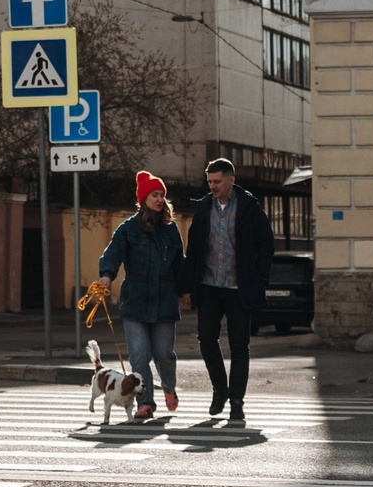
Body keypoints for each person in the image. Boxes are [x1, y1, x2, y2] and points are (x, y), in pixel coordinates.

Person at [186, 157, 273, 427]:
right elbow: (194, 251)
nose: (212, 186)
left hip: (238, 289)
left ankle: (237, 402)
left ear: (231, 180)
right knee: (206, 339)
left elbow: (266, 244)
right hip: (210, 286)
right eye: (209, 181)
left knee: (239, 346)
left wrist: (259, 279)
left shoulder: (249, 207)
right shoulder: (203, 209)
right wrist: (187, 287)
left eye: (217, 181)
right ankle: (219, 390)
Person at [96, 170, 186, 421]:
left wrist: (186, 291)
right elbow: (113, 253)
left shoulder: (171, 230)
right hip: (135, 300)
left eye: (161, 195)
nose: (159, 199)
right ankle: (146, 403)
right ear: (143, 199)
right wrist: (106, 274)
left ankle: (168, 387)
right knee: (139, 355)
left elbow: (180, 263)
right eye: (154, 195)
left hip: (165, 300)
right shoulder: (127, 229)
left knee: (164, 353)